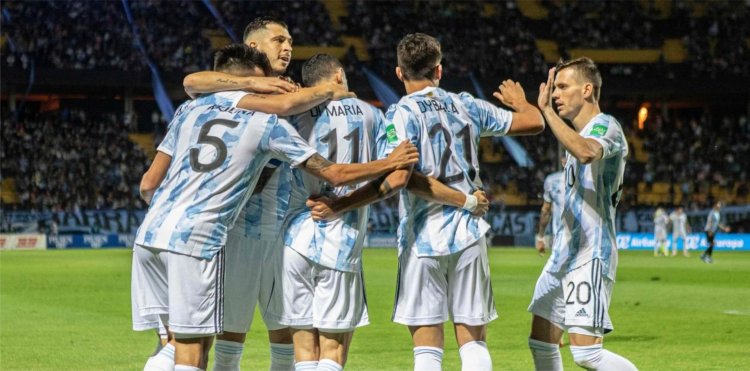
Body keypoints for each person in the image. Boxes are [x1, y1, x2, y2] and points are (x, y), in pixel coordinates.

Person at [133, 46, 418, 371]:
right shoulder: (275, 121)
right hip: (225, 239)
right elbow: (342, 174)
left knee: (171, 344)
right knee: (195, 353)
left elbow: (147, 184)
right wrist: (388, 163)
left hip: (154, 235)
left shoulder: (191, 109)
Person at [273, 53, 490, 371]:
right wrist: (357, 192)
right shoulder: (373, 116)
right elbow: (400, 174)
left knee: (304, 351)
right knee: (332, 352)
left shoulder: (292, 114)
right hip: (339, 242)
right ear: (338, 76)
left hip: (293, 240)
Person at [341, 33, 543, 371]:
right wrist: (521, 102)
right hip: (469, 234)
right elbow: (535, 121)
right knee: (474, 342)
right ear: (439, 71)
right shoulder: (466, 104)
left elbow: (402, 178)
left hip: (424, 237)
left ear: (399, 73)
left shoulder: (399, 114)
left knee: (427, 350)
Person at [183, 18, 354, 371]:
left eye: (290, 40)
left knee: (286, 334)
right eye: (279, 40)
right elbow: (192, 81)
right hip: (238, 232)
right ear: (255, 47)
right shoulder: (232, 92)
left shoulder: (291, 92)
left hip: (283, 231)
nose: (288, 47)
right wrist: (257, 83)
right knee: (231, 337)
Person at [528, 58, 637, 370]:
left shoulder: (606, 126)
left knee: (587, 354)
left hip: (590, 252)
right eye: (555, 87)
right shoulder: (573, 138)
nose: (556, 94)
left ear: (587, 89)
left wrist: (546, 111)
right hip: (565, 252)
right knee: (541, 341)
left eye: (563, 86)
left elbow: (588, 152)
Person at [535, 155, 566, 255]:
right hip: (587, 240)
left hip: (561, 240)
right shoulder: (591, 180)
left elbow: (546, 210)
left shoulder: (552, 181)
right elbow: (546, 210)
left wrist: (540, 237)